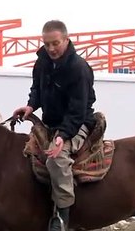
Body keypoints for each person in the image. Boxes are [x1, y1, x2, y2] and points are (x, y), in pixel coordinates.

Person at [13, 20, 96, 231]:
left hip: (77, 123)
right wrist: (31, 106)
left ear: (66, 40)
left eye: (55, 43)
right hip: (51, 123)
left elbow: (77, 109)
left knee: (56, 159)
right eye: (47, 44)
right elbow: (37, 89)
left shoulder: (79, 69)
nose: (51, 48)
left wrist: (63, 136)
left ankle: (62, 215)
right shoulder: (41, 62)